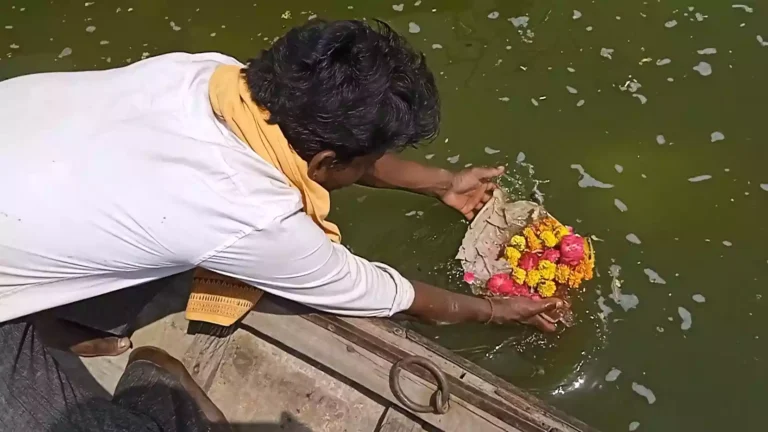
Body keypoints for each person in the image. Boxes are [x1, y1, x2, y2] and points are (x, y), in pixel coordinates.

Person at [0, 19, 563, 430]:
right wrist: (495, 310)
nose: (369, 168)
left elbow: (322, 149)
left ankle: (70, 319)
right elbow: (377, 291)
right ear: (326, 165)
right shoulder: (253, 217)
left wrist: (441, 182)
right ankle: (159, 388)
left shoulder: (211, 76)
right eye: (367, 162)